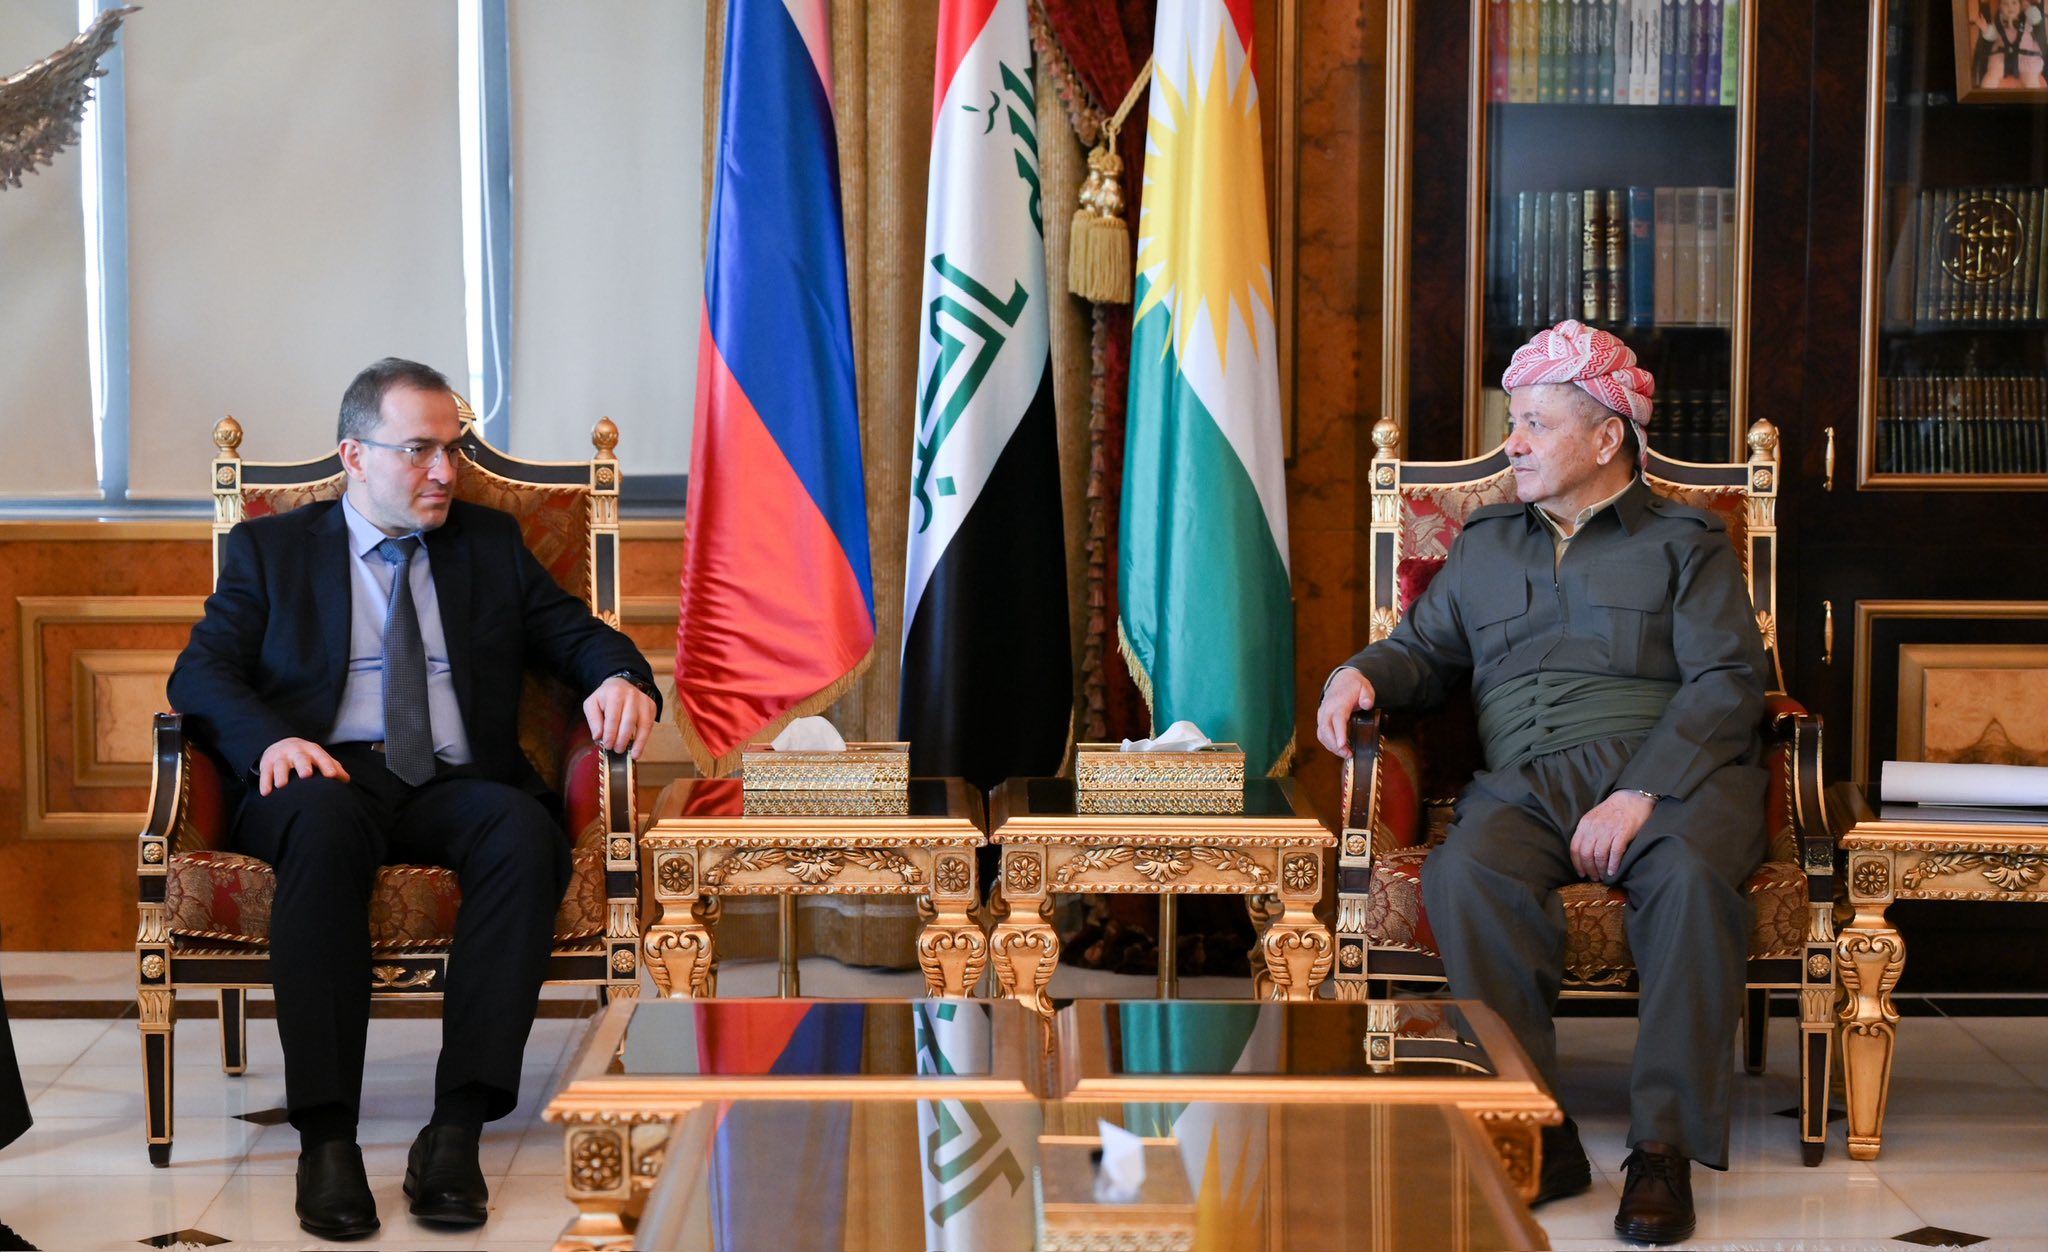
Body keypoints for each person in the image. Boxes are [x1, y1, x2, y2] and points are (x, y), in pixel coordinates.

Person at [168, 358, 659, 1241]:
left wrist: (623, 678)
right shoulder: (273, 550)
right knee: (322, 829)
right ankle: (327, 1140)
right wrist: (270, 741)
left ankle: (456, 1130)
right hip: (321, 775)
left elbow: (578, 637)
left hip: (452, 780)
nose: (445, 471)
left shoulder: (488, 545)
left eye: (453, 450)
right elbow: (201, 673)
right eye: (420, 450)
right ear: (354, 455)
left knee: (523, 834)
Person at [1315, 321, 1768, 1246]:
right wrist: (1357, 674)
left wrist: (1640, 793)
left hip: (1671, 773)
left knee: (1688, 883)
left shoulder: (1688, 541)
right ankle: (1537, 1128)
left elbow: (1728, 681)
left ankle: (1662, 1151)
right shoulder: (1487, 544)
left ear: (1606, 438)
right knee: (1467, 872)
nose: (1511, 443)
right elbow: (1422, 652)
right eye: (1512, 420)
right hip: (1526, 779)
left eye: (1534, 423)